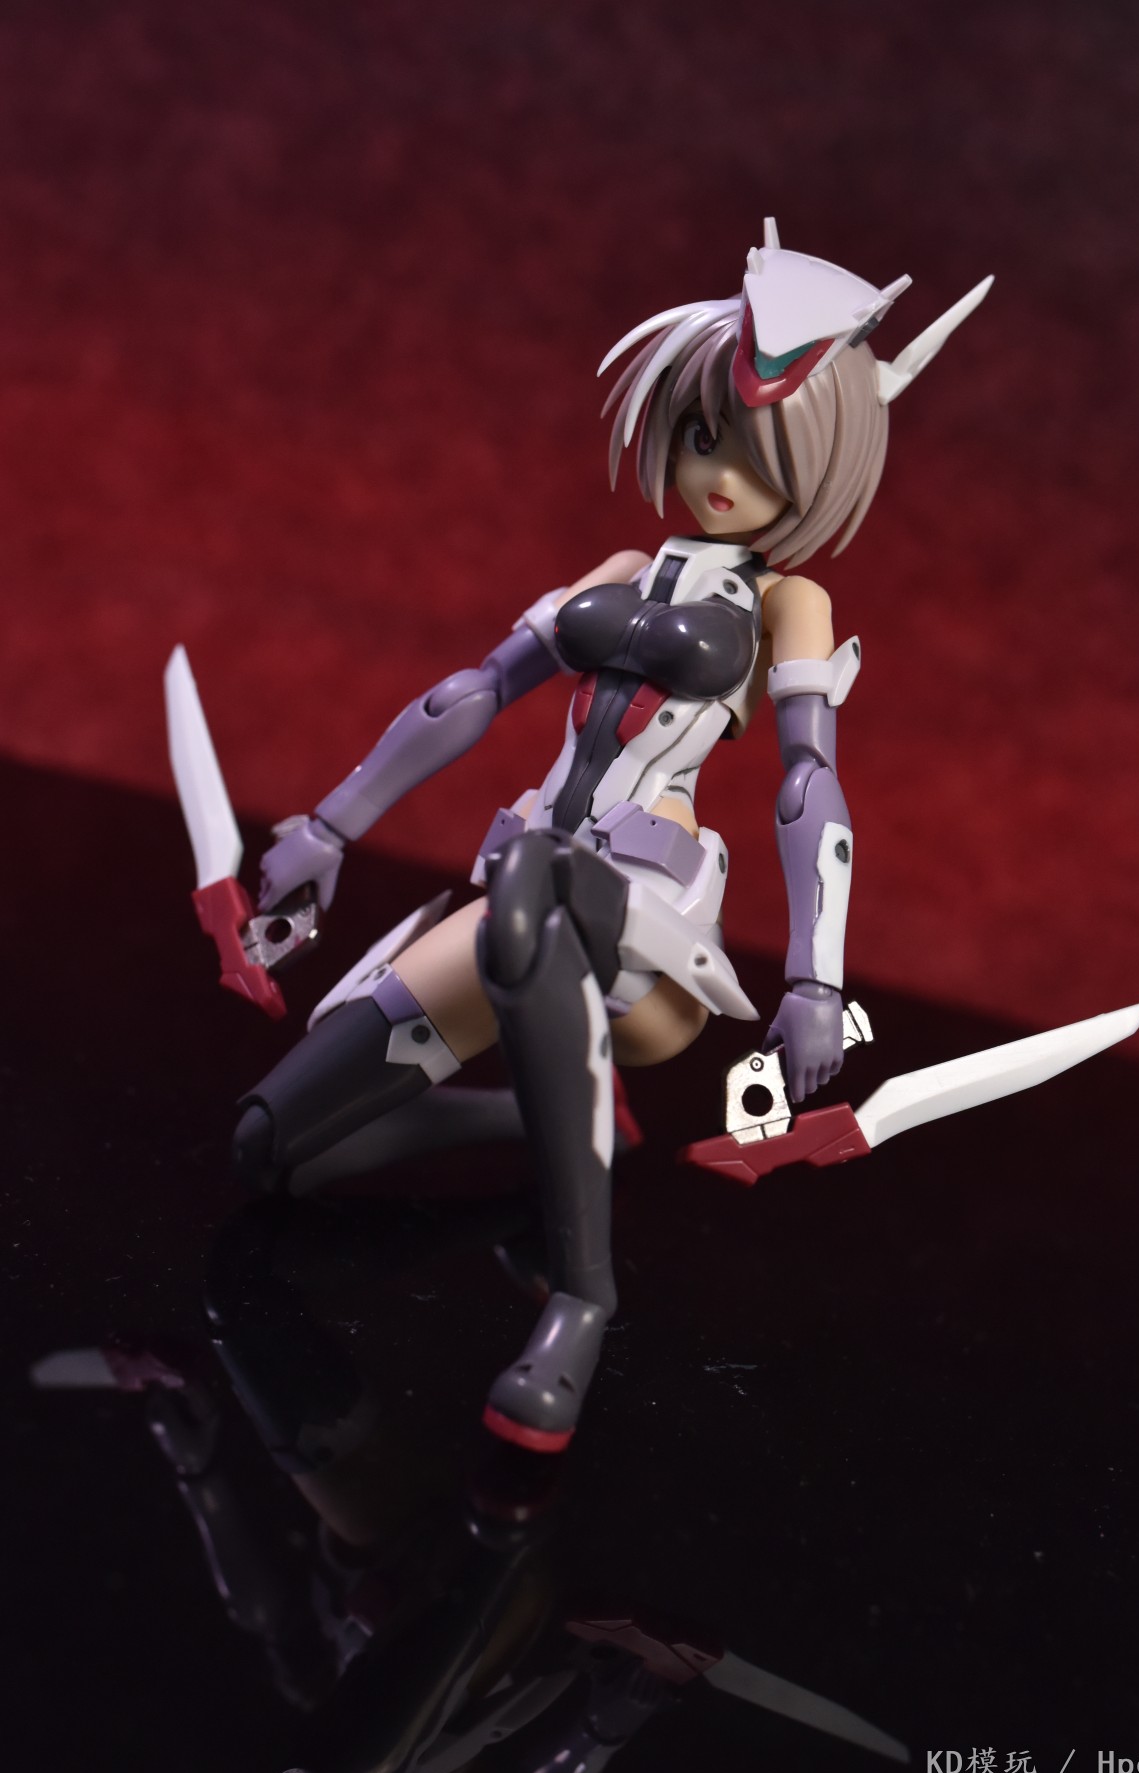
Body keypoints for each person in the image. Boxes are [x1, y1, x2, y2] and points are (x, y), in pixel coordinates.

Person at [230, 220, 992, 1451]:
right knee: (270, 1148)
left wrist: (816, 979)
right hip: (516, 907)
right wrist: (330, 825)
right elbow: (474, 692)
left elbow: (809, 784)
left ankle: (580, 1301)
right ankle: (533, 1121)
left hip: (643, 929)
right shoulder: (626, 565)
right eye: (705, 433)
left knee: (538, 879)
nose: (720, 472)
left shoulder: (790, 603)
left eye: (761, 450)